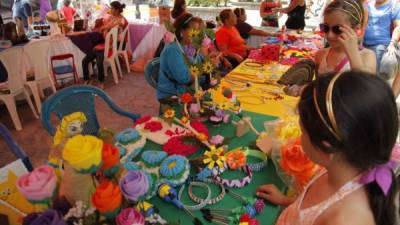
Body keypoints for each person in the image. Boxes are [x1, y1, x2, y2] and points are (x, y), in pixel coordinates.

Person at [257, 70, 399, 225]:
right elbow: (314, 205)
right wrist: (286, 200)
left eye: (303, 132)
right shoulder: (339, 166)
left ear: (326, 147)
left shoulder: (344, 220)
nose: (299, 138)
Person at [315, 0, 376, 75]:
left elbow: (365, 84)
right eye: (325, 28)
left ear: (356, 29)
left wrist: (353, 54)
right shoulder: (320, 55)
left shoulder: (367, 56)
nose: (330, 35)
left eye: (337, 29)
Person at [157, 13, 208, 102]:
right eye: (194, 30)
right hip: (173, 96)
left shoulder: (188, 47)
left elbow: (198, 61)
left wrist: (206, 57)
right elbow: (185, 78)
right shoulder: (173, 50)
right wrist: (205, 67)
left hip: (189, 90)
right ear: (182, 31)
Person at [82, 1, 128, 89]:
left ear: (117, 10)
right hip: (104, 44)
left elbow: (119, 25)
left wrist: (107, 27)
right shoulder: (112, 18)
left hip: (112, 45)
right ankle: (87, 79)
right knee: (85, 60)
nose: (110, 10)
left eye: (112, 8)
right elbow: (102, 28)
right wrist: (105, 27)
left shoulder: (120, 19)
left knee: (99, 60)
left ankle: (101, 82)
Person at [363, 0, 400, 72]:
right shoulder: (368, 4)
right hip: (363, 45)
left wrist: (393, 43)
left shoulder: (394, 5)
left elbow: (398, 27)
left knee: (374, 76)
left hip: (380, 46)